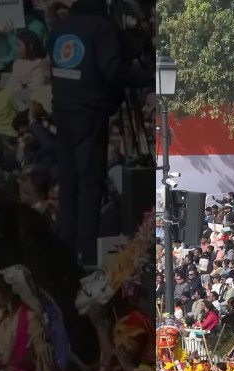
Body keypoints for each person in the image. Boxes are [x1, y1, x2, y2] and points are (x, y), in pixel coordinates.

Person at [49, 0, 147, 264]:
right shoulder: (101, 28)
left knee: (69, 182)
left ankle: (66, 247)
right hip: (89, 112)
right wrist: (150, 76)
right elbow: (113, 71)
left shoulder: (61, 28)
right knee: (90, 181)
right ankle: (87, 250)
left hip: (63, 110)